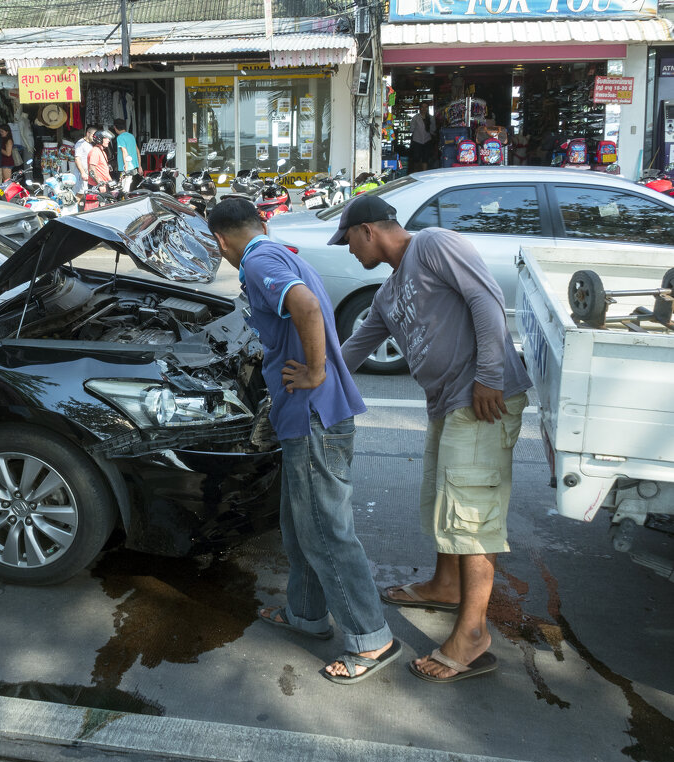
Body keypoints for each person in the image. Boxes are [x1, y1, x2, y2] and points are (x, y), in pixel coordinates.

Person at [332, 195, 531, 684]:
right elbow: (354, 349)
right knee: (445, 501)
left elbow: (485, 300)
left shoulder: (434, 245)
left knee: (472, 516)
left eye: (349, 242)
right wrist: (314, 375)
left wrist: (488, 376)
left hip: (482, 398)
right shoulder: (387, 293)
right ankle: (446, 586)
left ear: (367, 231)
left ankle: (472, 638)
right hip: (448, 404)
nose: (350, 252)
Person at [205, 197, 401, 684]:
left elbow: (308, 307)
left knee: (327, 530)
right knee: (300, 523)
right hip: (307, 415)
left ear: (220, 240)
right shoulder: (280, 251)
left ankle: (371, 638)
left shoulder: (258, 261)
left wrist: (314, 371)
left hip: (315, 415)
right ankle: (308, 614)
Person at [112, 118, 140, 192]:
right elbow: (137, 151)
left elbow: (124, 152)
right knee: (129, 188)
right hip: (133, 166)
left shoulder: (120, 137)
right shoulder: (131, 136)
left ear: (115, 127)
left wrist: (125, 169)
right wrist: (140, 166)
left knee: (124, 189)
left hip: (125, 168)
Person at [409, 101, 436, 173]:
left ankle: (424, 173)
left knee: (425, 158)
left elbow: (433, 129)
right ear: (419, 108)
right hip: (417, 140)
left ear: (428, 108)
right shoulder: (415, 118)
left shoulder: (431, 118)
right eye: (422, 107)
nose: (424, 109)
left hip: (427, 140)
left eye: (426, 107)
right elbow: (411, 129)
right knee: (416, 158)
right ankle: (415, 173)